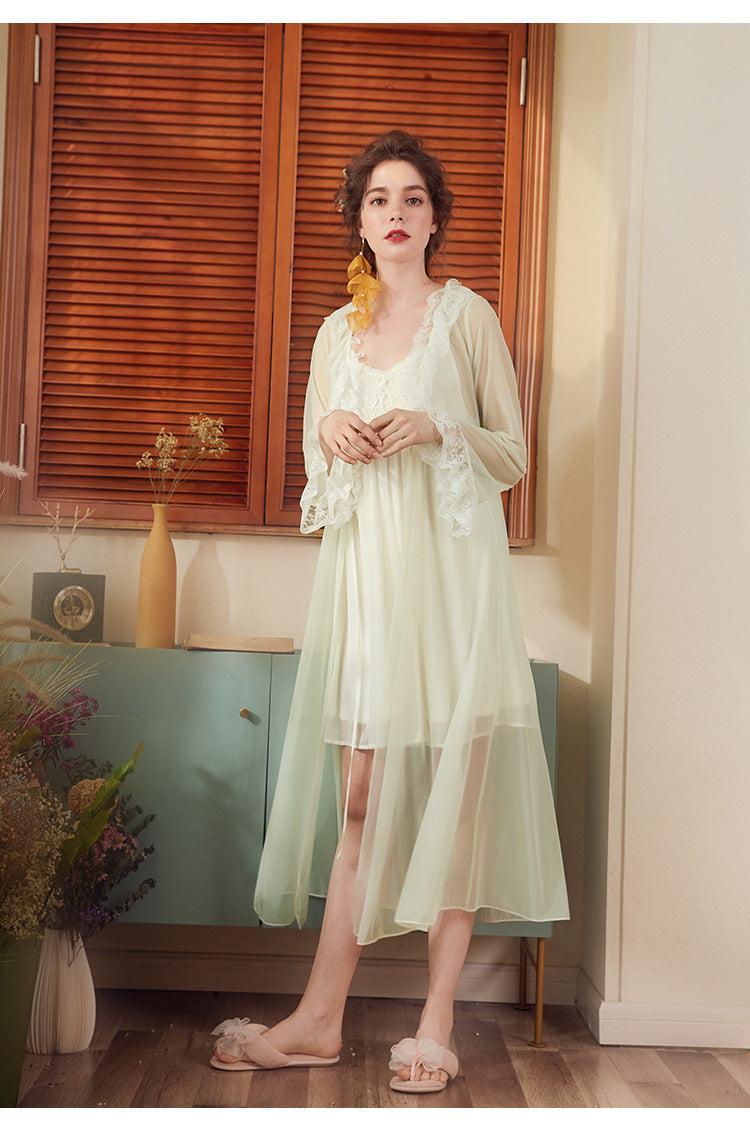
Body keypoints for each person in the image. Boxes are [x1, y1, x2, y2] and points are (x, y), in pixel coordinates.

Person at [210, 130, 569, 1093]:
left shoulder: (468, 318)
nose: (397, 212)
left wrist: (438, 425)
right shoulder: (336, 333)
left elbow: (511, 453)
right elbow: (319, 472)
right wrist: (328, 427)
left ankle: (436, 1024)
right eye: (379, 199)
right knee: (361, 802)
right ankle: (320, 1020)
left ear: (435, 218)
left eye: (413, 197)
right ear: (359, 221)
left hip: (452, 594)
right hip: (368, 595)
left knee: (455, 804)